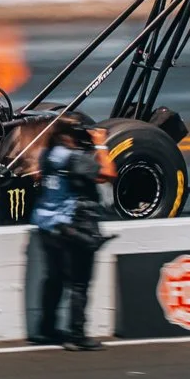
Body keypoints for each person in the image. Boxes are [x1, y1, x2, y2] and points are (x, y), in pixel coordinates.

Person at [31, 115, 113, 351]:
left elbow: (38, 176)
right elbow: (108, 173)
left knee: (54, 279)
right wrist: (100, 144)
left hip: (47, 226)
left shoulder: (47, 155)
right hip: (70, 226)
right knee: (79, 283)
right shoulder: (75, 158)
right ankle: (77, 335)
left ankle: (46, 329)